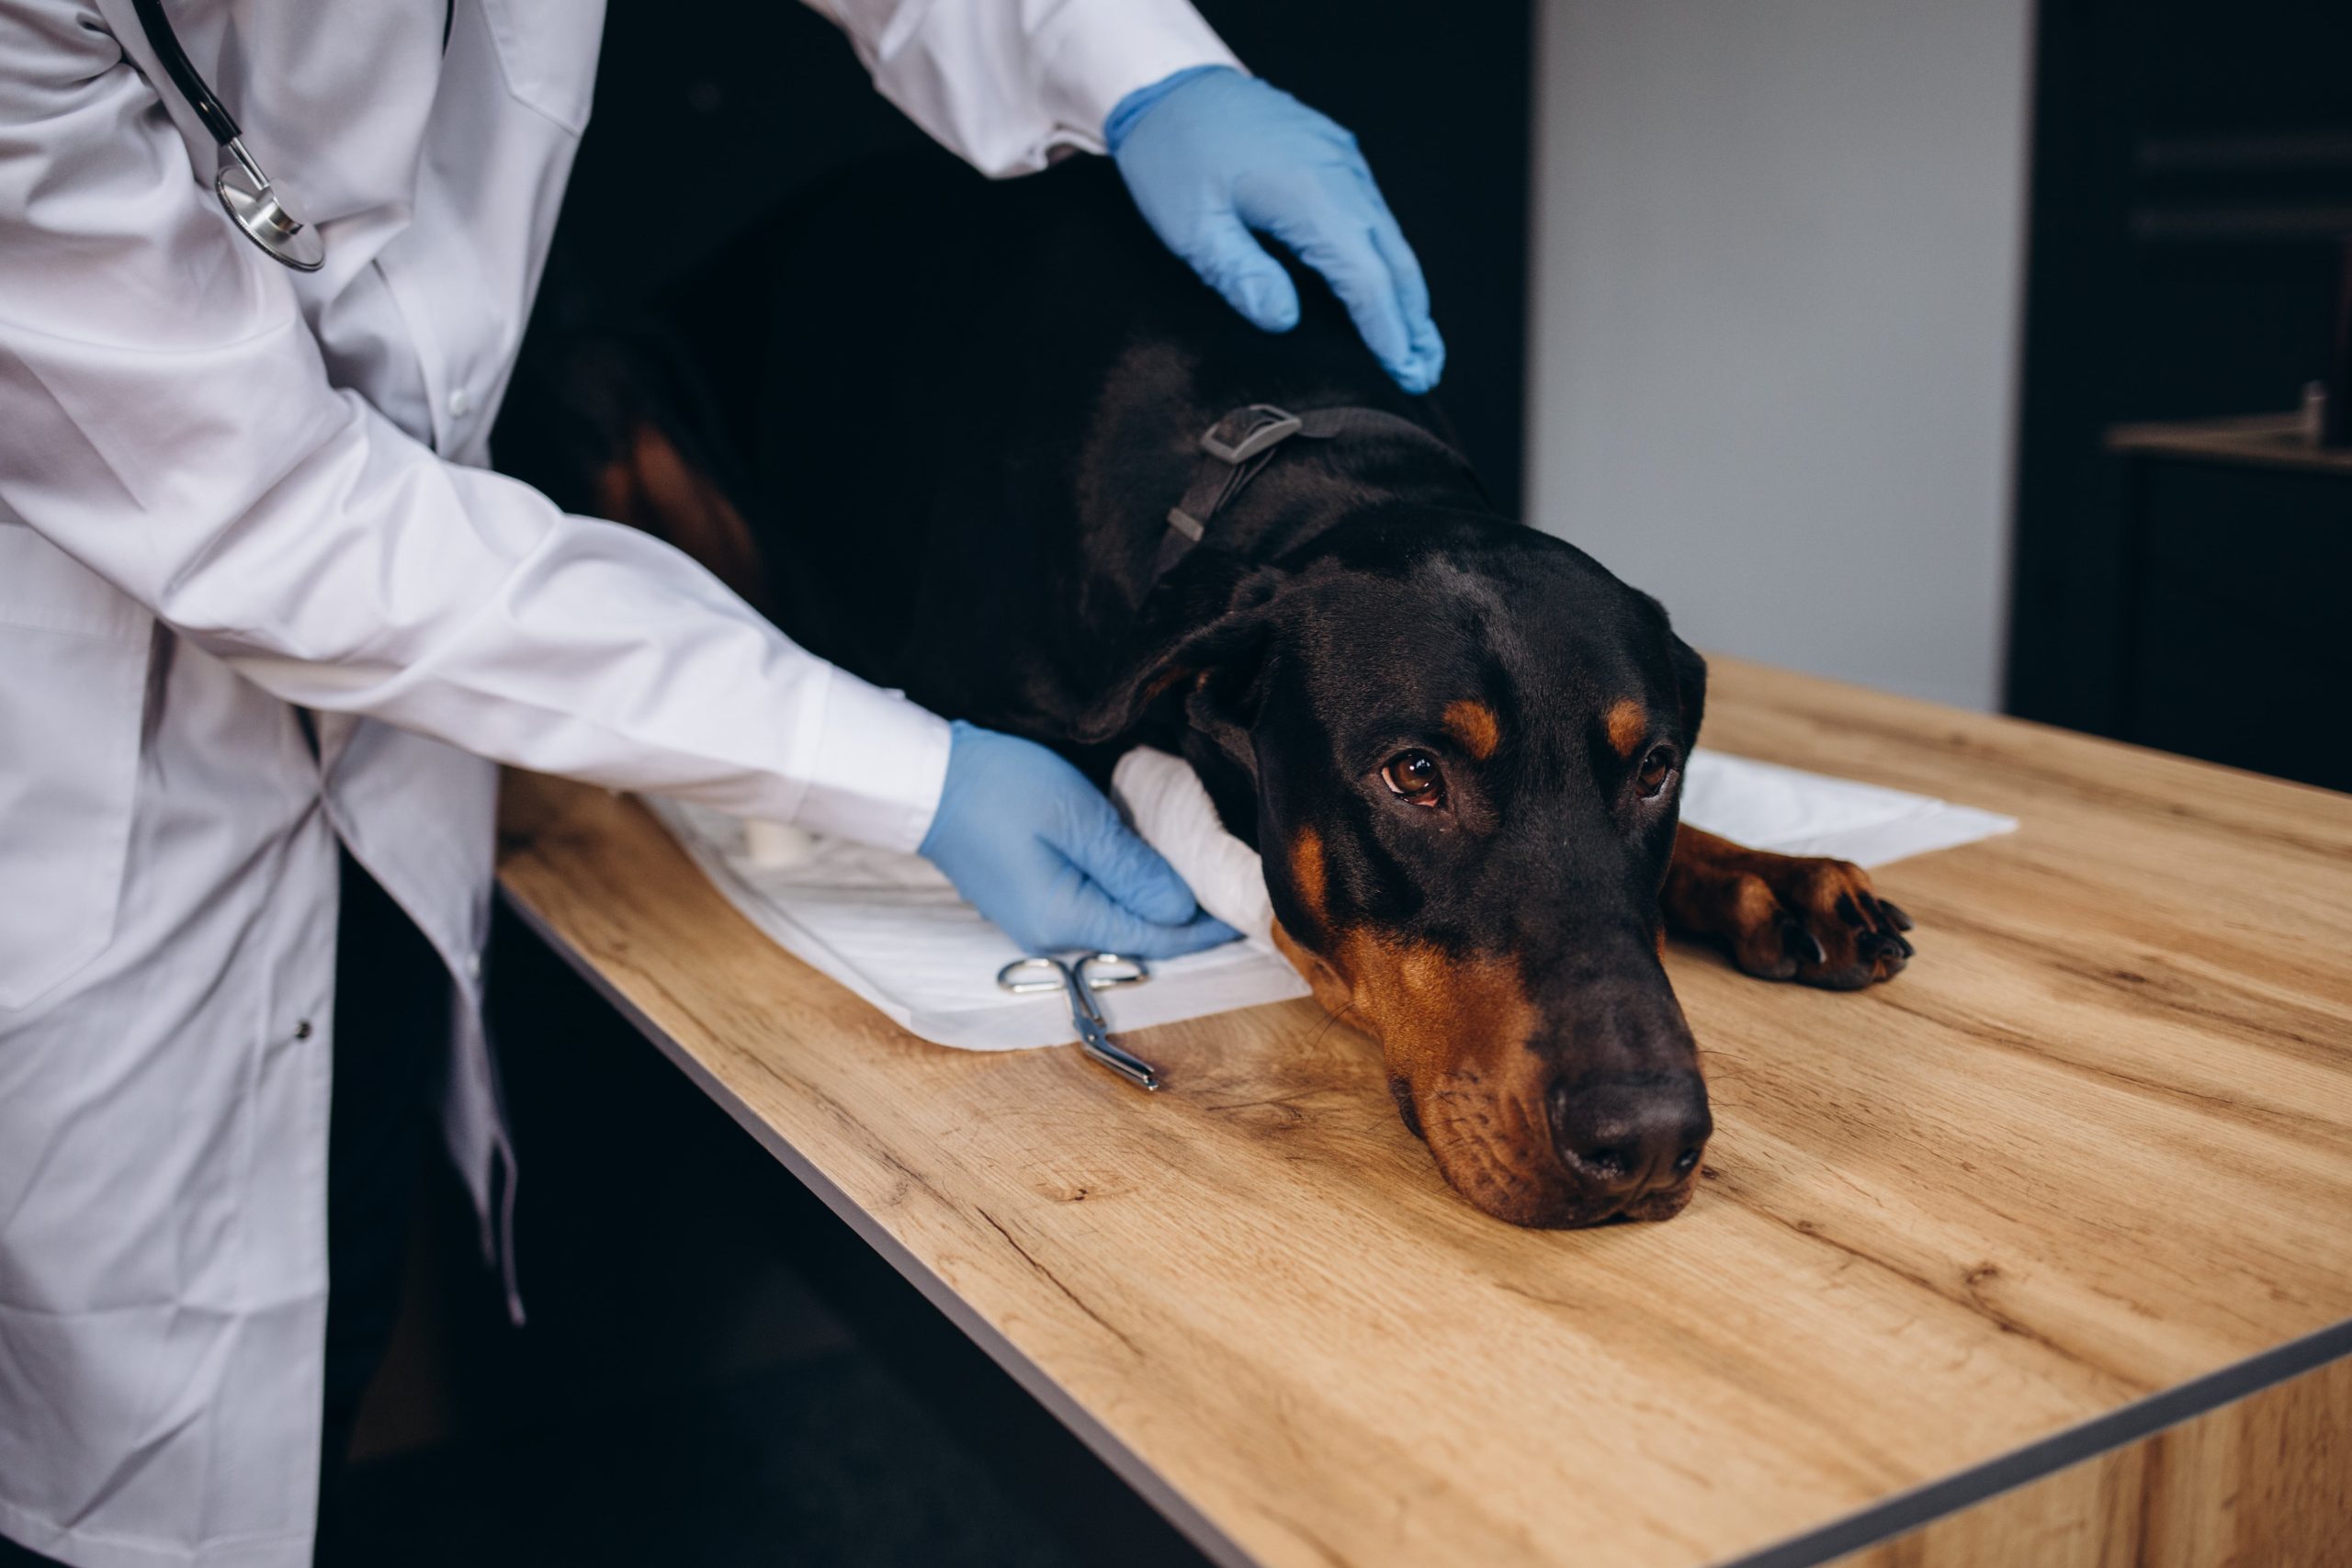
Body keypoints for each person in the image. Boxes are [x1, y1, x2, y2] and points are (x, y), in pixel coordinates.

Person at [0, 2, 1444, 1565]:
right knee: (141, 1471)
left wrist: (1139, 63)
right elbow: (277, 520)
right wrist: (910, 773)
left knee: (333, 1297)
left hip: (390, 774)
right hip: (113, 792)